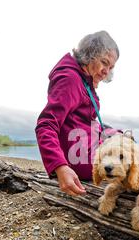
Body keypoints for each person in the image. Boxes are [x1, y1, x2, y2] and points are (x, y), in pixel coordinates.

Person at [35, 31, 120, 197]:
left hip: (83, 145)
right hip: (79, 159)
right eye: (104, 62)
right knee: (129, 152)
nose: (106, 71)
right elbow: (46, 125)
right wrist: (60, 167)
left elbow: (81, 119)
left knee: (123, 136)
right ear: (89, 55)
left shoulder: (82, 79)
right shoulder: (70, 79)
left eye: (111, 67)